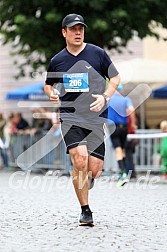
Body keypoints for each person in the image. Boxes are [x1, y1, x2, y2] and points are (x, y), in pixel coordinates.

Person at [44, 13, 120, 226]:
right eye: (73, 29)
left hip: (96, 117)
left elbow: (115, 77)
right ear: (64, 32)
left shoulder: (97, 54)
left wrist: (106, 96)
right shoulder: (57, 60)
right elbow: (48, 84)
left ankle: (89, 179)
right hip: (70, 116)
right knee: (79, 159)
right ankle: (85, 210)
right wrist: (51, 93)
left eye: (81, 29)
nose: (78, 32)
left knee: (94, 168)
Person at [107, 84, 136, 186]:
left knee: (118, 149)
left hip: (112, 126)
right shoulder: (126, 99)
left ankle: (122, 172)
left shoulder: (109, 99)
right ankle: (124, 172)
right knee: (123, 149)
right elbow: (131, 110)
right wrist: (132, 124)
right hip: (124, 127)